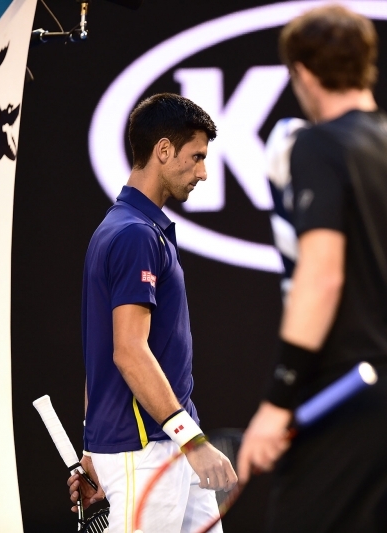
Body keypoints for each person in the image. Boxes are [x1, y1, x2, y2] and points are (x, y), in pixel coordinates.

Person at [237, 5, 387, 532]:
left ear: (303, 73)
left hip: (354, 396)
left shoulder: (319, 144)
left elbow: (322, 276)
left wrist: (277, 401)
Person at [67, 93, 237, 533]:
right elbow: (127, 351)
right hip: (143, 449)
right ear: (163, 150)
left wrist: (91, 448)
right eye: (197, 157)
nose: (203, 172)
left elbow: (102, 353)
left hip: (168, 441)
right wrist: (192, 441)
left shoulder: (134, 229)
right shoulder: (134, 235)